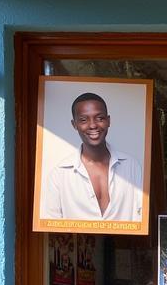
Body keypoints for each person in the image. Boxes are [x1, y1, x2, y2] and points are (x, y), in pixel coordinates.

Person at [40, 92, 145, 223]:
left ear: (108, 121)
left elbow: (141, 219)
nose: (93, 125)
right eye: (83, 120)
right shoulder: (59, 174)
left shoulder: (132, 167)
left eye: (100, 118)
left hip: (125, 244)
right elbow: (51, 225)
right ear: (74, 124)